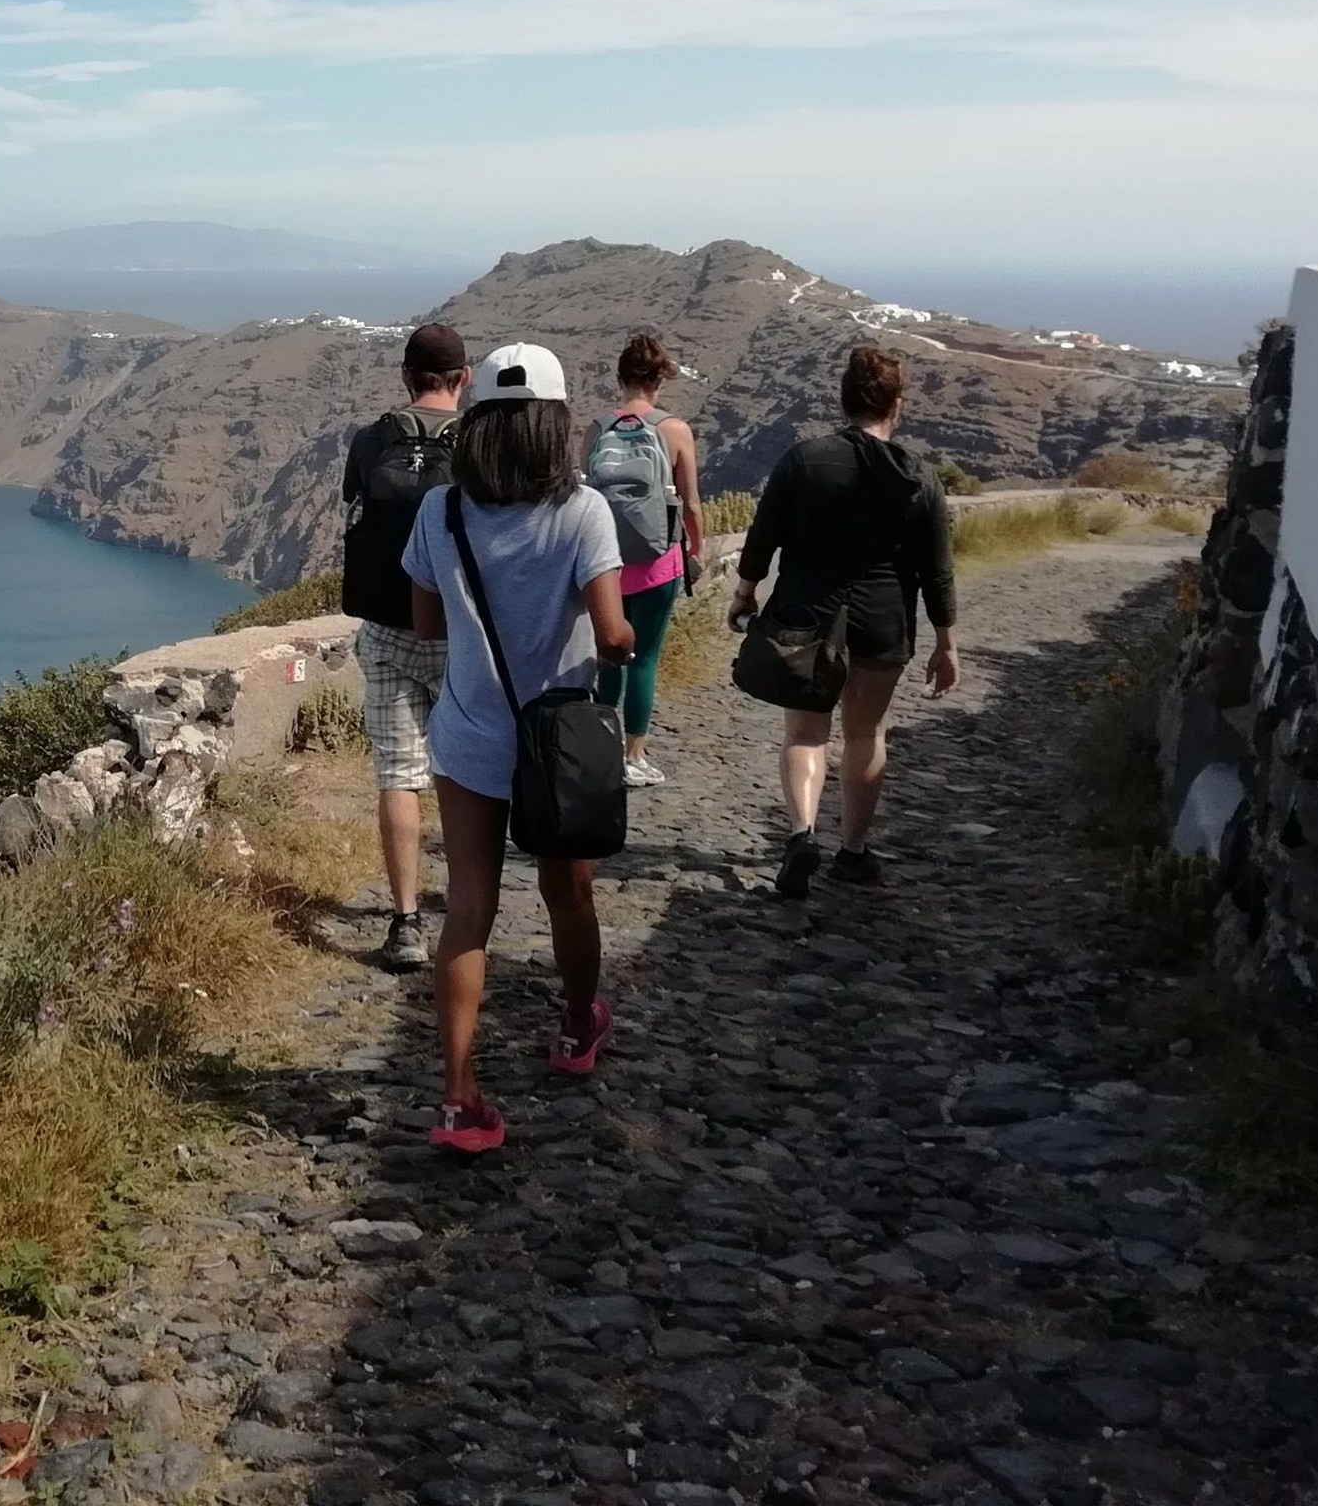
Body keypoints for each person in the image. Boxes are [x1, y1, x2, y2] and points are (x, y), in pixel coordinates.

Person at [403, 343, 633, 1153]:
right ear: (554, 424)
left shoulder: (442, 512)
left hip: (470, 735)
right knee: (568, 894)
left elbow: (427, 625)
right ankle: (576, 1030)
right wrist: (623, 642)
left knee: (469, 904)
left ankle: (459, 1098)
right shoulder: (585, 512)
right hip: (561, 743)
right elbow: (611, 633)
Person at [730, 345, 960, 900]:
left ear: (844, 400)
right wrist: (946, 643)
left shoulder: (806, 459)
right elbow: (937, 569)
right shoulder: (918, 477)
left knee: (805, 732)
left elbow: (765, 533)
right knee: (866, 733)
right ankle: (853, 852)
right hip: (883, 620)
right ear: (895, 407)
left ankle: (802, 833)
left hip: (807, 614)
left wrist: (744, 591)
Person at [339, 322, 469, 970]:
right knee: (463, 768)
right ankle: (470, 903)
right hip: (459, 634)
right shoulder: (478, 443)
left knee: (398, 774)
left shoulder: (371, 440)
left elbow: (354, 511)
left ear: (405, 376)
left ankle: (406, 922)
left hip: (387, 631)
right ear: (463, 379)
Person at [585, 332, 705, 788]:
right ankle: (634, 757)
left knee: (608, 656)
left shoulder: (598, 428)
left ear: (620, 378)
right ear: (660, 379)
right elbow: (690, 502)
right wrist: (696, 547)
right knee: (645, 658)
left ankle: (599, 748)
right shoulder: (674, 430)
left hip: (604, 564)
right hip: (658, 563)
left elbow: (585, 499)